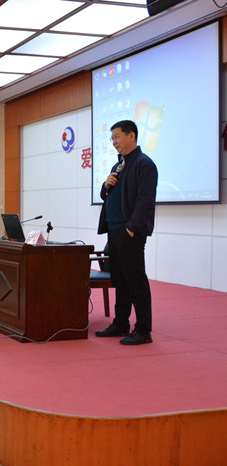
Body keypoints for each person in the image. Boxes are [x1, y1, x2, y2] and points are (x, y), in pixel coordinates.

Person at [95, 120, 158, 346]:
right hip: (113, 229)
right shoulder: (119, 165)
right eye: (112, 138)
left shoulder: (144, 164)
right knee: (119, 279)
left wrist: (131, 228)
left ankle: (143, 330)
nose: (114, 142)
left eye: (117, 137)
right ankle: (120, 323)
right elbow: (106, 196)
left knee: (135, 280)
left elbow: (145, 201)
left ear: (131, 136)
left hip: (129, 231)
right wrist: (106, 185)